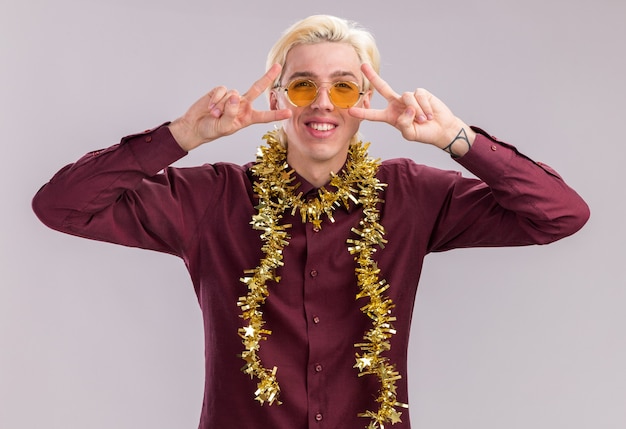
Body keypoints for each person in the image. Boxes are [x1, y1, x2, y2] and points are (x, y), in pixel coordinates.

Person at [32, 14, 589, 429]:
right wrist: (180, 137)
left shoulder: (412, 195)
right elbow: (61, 206)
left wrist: (457, 139)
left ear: (365, 100)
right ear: (280, 96)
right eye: (303, 85)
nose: (322, 103)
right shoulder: (212, 198)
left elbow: (559, 215)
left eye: (343, 86)